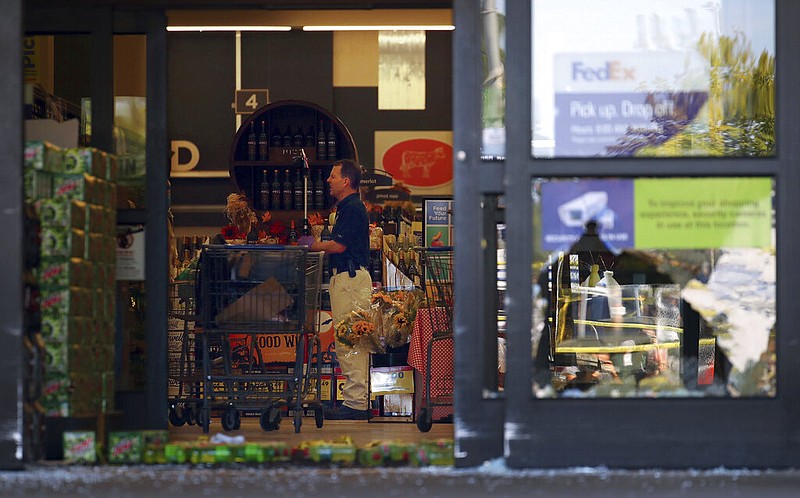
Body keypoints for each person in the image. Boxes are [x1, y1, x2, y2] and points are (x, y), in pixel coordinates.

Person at [297, 159, 372, 420]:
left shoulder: (352, 208)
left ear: (346, 181)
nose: (328, 180)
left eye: (332, 176)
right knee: (349, 340)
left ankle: (355, 404)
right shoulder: (347, 207)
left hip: (350, 280)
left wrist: (311, 245)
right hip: (348, 279)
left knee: (350, 340)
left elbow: (339, 247)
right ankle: (355, 401)